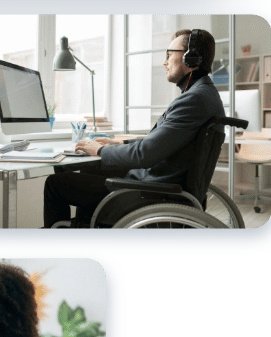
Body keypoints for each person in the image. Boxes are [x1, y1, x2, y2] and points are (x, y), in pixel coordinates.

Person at [43, 28, 225, 227]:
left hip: (151, 193)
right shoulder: (203, 95)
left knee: (55, 185)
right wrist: (119, 143)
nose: (165, 62)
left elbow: (145, 154)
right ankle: (85, 228)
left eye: (169, 54)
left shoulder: (194, 99)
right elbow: (164, 143)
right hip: (159, 185)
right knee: (89, 168)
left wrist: (101, 149)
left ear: (192, 59)